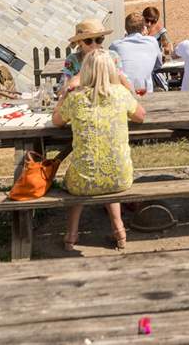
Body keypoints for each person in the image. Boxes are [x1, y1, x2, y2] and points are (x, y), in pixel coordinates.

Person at [53, 49, 145, 251]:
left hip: (83, 180)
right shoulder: (120, 94)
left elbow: (56, 120)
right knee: (106, 165)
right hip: (120, 177)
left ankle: (71, 235)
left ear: (85, 71)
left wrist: (64, 95)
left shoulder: (76, 98)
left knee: (84, 171)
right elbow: (141, 116)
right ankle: (119, 230)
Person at [60, 19, 131, 95]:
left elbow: (128, 89)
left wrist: (114, 71)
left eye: (98, 40)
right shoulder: (73, 60)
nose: (94, 45)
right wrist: (83, 72)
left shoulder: (112, 56)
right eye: (88, 41)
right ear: (79, 42)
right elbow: (62, 92)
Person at [109, 12, 162, 96]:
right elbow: (158, 65)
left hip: (123, 94)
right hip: (145, 94)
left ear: (126, 29)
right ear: (143, 28)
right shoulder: (152, 41)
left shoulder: (115, 45)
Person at [142, 6, 173, 90]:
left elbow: (168, 47)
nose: (149, 24)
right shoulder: (137, 29)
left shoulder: (160, 31)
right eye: (147, 20)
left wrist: (164, 55)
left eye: (152, 21)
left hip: (155, 67)